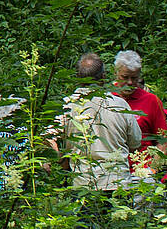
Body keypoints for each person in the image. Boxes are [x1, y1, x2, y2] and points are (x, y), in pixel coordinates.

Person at [46, 53, 150, 198]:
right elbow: (135, 143)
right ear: (103, 77)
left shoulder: (68, 106)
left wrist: (61, 159)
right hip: (118, 184)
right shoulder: (120, 105)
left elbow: (47, 138)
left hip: (83, 185)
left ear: (77, 77)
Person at [110, 50, 167, 177]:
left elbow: (163, 140)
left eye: (134, 78)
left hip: (143, 171)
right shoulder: (105, 100)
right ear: (116, 73)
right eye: (125, 77)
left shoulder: (151, 101)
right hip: (112, 172)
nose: (130, 83)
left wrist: (153, 170)